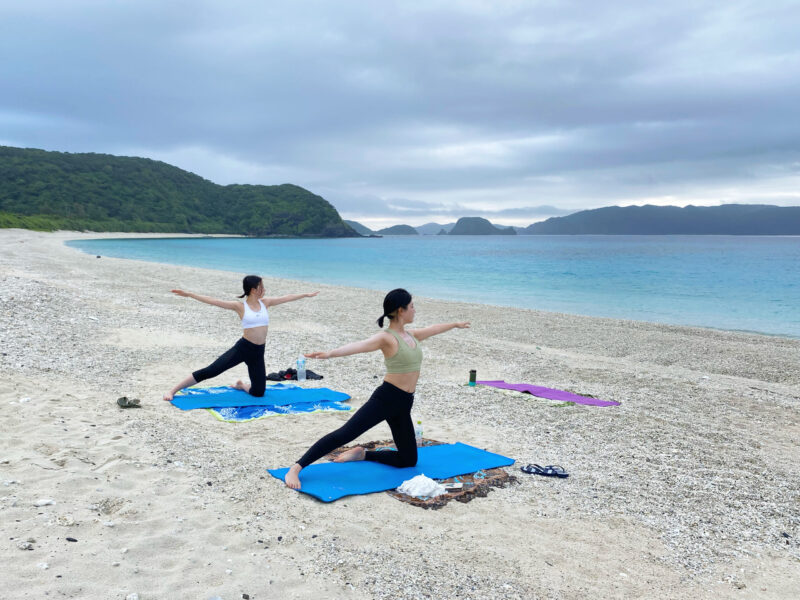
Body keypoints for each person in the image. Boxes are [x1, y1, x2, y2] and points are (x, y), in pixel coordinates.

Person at [284, 288, 469, 489]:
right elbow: (359, 346)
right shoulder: (386, 338)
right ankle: (296, 467)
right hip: (386, 399)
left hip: (404, 403)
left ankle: (362, 454)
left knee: (409, 460)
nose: (415, 310)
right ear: (401, 310)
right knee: (345, 434)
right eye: (412, 306)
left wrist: (455, 324)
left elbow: (434, 328)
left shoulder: (412, 335)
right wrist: (329, 354)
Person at [162, 275, 318, 401]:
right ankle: (173, 390)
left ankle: (241, 384)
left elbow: (287, 297)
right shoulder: (240, 306)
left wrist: (305, 295)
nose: (264, 290)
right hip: (243, 348)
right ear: (253, 290)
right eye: (261, 287)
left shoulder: (266, 303)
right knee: (212, 370)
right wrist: (189, 294)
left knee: (258, 393)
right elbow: (213, 301)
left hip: (258, 352)